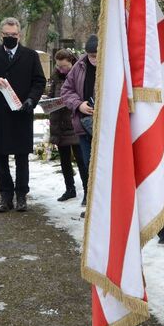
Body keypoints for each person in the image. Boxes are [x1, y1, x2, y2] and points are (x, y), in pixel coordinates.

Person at [0, 17, 46, 213]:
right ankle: (5, 196)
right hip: (0, 114)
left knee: (22, 156)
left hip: (22, 112)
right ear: (1, 35)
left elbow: (39, 81)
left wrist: (31, 100)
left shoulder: (30, 56)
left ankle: (21, 196)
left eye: (14, 35)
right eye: (7, 35)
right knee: (1, 156)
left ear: (19, 35)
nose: (10, 37)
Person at [61, 34, 99, 210]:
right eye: (92, 56)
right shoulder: (80, 66)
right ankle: (92, 206)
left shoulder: (114, 64)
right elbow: (66, 90)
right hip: (85, 126)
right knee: (89, 166)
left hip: (109, 128)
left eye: (98, 55)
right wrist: (79, 105)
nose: (95, 60)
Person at [48, 49, 87, 202]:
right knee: (64, 161)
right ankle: (69, 189)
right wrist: (49, 102)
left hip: (74, 122)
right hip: (59, 124)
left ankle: (87, 191)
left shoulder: (79, 74)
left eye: (64, 66)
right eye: (58, 66)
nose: (61, 69)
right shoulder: (56, 76)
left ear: (71, 62)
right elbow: (52, 94)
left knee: (81, 160)